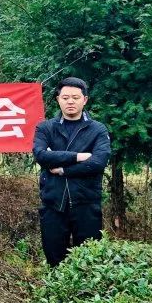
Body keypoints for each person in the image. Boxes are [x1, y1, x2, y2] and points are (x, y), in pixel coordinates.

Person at [33, 77, 111, 267]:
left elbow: (98, 163)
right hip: (53, 204)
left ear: (85, 100)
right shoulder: (45, 128)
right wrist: (79, 156)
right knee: (54, 260)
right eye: (65, 97)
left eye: (75, 98)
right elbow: (41, 156)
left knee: (89, 262)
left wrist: (63, 169)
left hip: (86, 204)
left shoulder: (97, 130)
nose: (70, 102)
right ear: (58, 99)